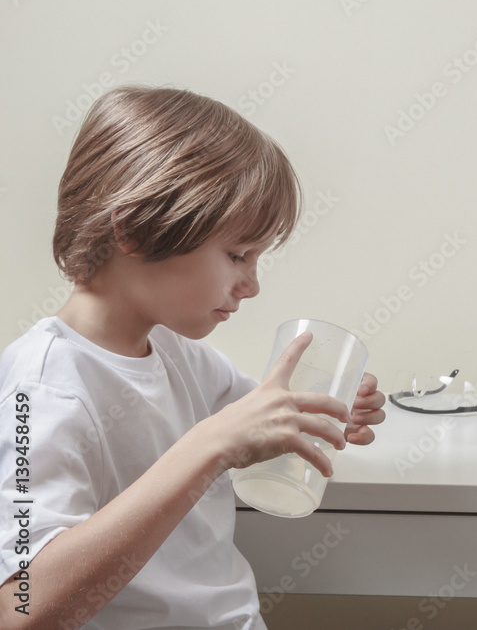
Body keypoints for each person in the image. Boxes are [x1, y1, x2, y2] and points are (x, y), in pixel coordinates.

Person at [0, 86, 387, 629]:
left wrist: (325, 405)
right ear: (134, 228)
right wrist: (208, 446)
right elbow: (21, 609)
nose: (251, 285)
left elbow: (259, 422)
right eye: (236, 255)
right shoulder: (42, 389)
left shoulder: (177, 355)